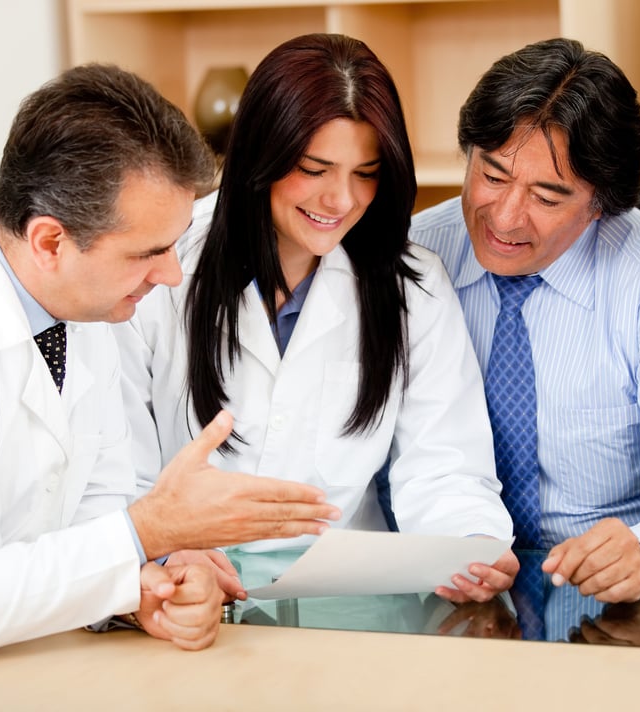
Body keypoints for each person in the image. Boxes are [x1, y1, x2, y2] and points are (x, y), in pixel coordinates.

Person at [0, 64, 342, 664]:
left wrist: (152, 580)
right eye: (149, 252)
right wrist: (149, 533)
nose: (170, 275)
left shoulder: (82, 307)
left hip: (38, 667)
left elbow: (94, 511)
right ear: (50, 242)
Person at [116, 33, 517, 604]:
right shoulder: (162, 262)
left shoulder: (413, 285)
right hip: (186, 589)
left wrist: (470, 544)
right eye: (314, 168)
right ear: (262, 154)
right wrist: (167, 550)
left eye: (365, 172)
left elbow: (443, 466)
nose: (340, 200)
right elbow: (115, 464)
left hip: (351, 604)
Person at [409, 37, 640, 605]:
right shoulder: (418, 254)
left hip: (610, 600)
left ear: (601, 204)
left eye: (547, 197)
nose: (506, 217)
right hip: (448, 583)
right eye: (491, 176)